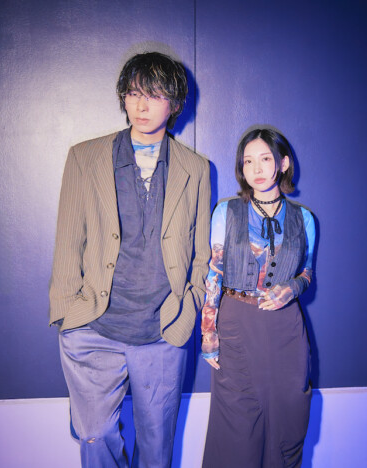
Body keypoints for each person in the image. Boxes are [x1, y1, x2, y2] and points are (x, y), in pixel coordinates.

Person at [49, 52, 210, 468]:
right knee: (95, 435)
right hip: (93, 330)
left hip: (163, 331)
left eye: (154, 95)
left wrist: (187, 309)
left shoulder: (196, 169)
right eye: (134, 93)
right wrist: (67, 314)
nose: (141, 105)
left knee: (156, 450)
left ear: (174, 104)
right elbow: (68, 241)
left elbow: (201, 254)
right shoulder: (85, 157)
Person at [201, 128, 316, 467]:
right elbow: (214, 273)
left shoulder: (304, 218)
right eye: (248, 161)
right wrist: (208, 331)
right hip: (236, 325)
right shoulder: (226, 211)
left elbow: (307, 273)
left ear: (283, 163)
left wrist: (292, 288)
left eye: (265, 158)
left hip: (286, 330)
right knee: (237, 430)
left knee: (287, 422)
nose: (256, 168)